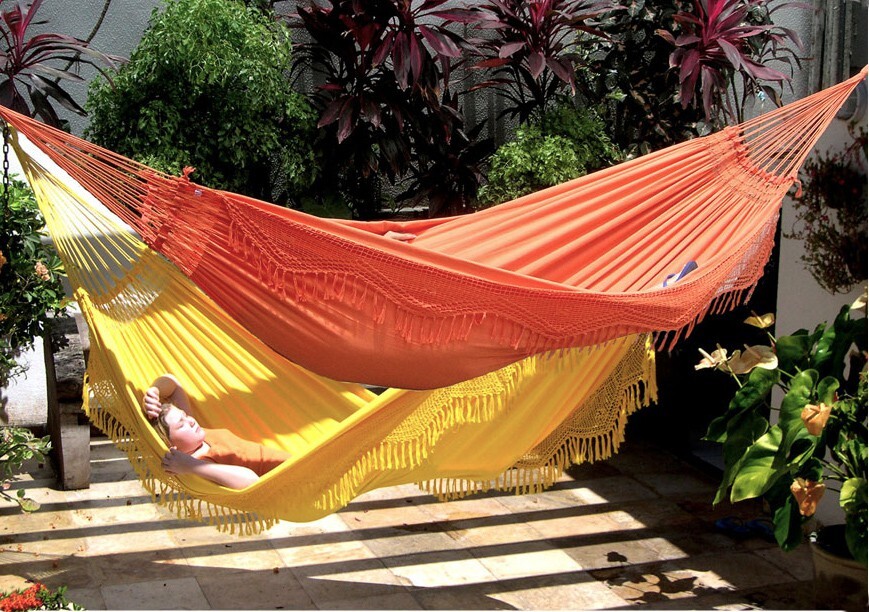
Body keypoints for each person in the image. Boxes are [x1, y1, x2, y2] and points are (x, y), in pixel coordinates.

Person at [142, 374, 290, 489]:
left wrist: (154, 391)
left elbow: (172, 382)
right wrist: (191, 466)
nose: (190, 421)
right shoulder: (199, 463)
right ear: (170, 445)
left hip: (292, 463)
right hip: (288, 480)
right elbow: (252, 481)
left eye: (185, 415)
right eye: (181, 425)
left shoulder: (196, 434)